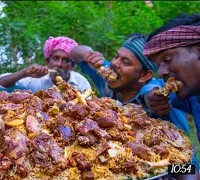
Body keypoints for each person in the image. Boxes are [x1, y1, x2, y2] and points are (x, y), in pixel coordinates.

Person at [72, 33, 199, 174]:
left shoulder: (163, 104)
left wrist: (159, 169)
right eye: (116, 56)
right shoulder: (108, 79)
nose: (114, 63)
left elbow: (190, 167)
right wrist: (89, 54)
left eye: (126, 62)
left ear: (145, 75)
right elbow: (74, 52)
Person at [143, 14, 200, 142]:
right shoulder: (194, 98)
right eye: (158, 66)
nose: (161, 72)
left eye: (167, 59)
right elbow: (152, 85)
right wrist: (150, 95)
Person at [0, 36, 91, 93]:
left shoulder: (81, 83)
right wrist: (25, 73)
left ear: (72, 66)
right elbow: (0, 84)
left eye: (66, 60)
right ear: (47, 62)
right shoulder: (35, 78)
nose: (59, 64)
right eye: (55, 58)